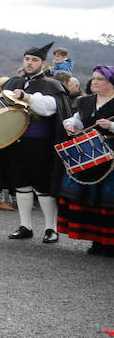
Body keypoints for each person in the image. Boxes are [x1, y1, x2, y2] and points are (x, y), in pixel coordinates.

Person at [0, 42, 72, 243]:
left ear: (43, 63)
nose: (30, 63)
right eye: (27, 59)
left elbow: (49, 107)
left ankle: (51, 228)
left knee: (43, 186)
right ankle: (26, 226)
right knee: (21, 184)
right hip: (16, 141)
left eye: (34, 60)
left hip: (40, 143)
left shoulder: (52, 84)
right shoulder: (13, 82)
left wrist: (28, 97)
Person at [57, 65, 114, 255]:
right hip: (89, 153)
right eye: (94, 78)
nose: (94, 82)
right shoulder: (86, 101)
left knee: (108, 200)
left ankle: (110, 242)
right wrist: (71, 126)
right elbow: (75, 119)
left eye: (100, 79)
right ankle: (96, 240)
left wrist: (112, 126)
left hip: (111, 155)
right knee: (91, 197)